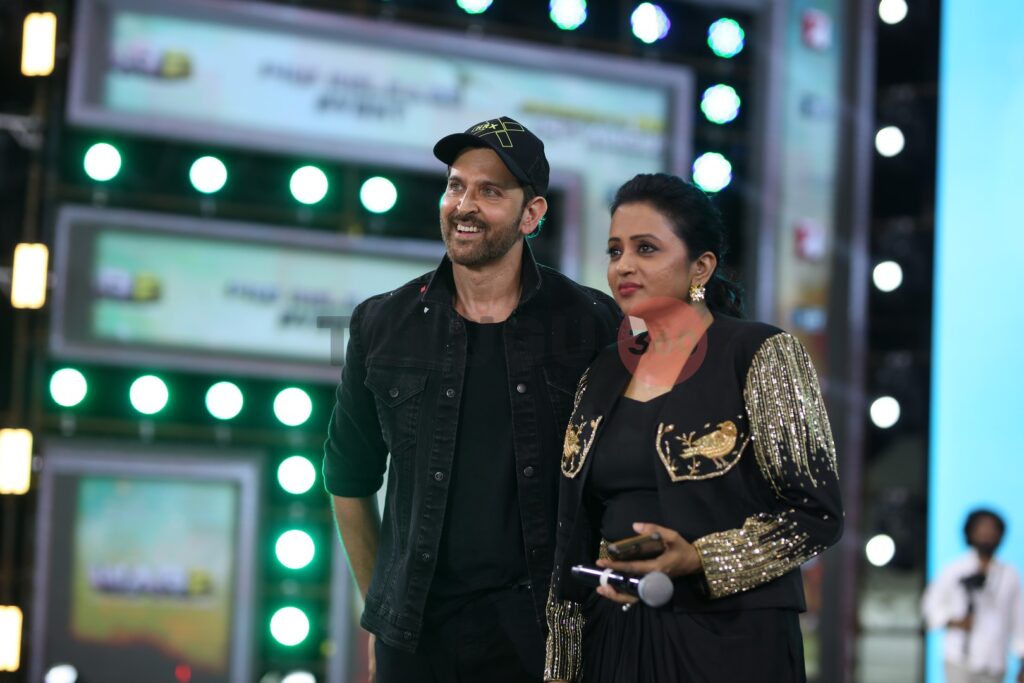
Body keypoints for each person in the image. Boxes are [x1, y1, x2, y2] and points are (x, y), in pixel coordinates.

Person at [324, 116, 621, 683]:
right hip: (419, 640)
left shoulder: (590, 323)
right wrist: (384, 613)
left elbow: (619, 482)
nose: (464, 205)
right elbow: (347, 477)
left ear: (531, 214)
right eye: (456, 186)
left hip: (546, 635)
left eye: (490, 192)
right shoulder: (382, 323)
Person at [543, 173, 843, 682]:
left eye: (646, 248)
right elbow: (573, 534)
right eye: (615, 251)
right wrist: (562, 667)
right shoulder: (603, 370)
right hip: (614, 639)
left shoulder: (759, 353)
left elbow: (817, 514)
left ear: (700, 266)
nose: (624, 265)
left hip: (732, 642)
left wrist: (701, 559)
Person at [922, 509, 1024, 683]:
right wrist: (954, 621)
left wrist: (1022, 658)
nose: (987, 535)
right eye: (982, 530)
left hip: (995, 659)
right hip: (959, 658)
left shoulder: (1009, 574)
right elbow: (930, 606)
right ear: (971, 533)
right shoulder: (954, 569)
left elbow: (1019, 618)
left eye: (992, 530)